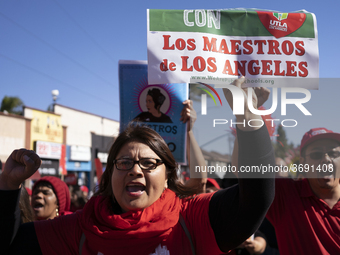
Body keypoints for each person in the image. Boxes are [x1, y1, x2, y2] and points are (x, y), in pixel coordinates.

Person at [0, 77, 275, 255]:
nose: (135, 170)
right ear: (109, 176)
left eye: (148, 163)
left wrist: (247, 115)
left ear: (167, 176)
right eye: (124, 162)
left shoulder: (191, 219)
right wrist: (8, 186)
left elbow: (255, 200)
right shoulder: (79, 228)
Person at [266, 127, 340, 255]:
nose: (326, 159)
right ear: (303, 164)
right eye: (316, 154)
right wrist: (245, 117)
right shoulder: (285, 195)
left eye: (333, 154)